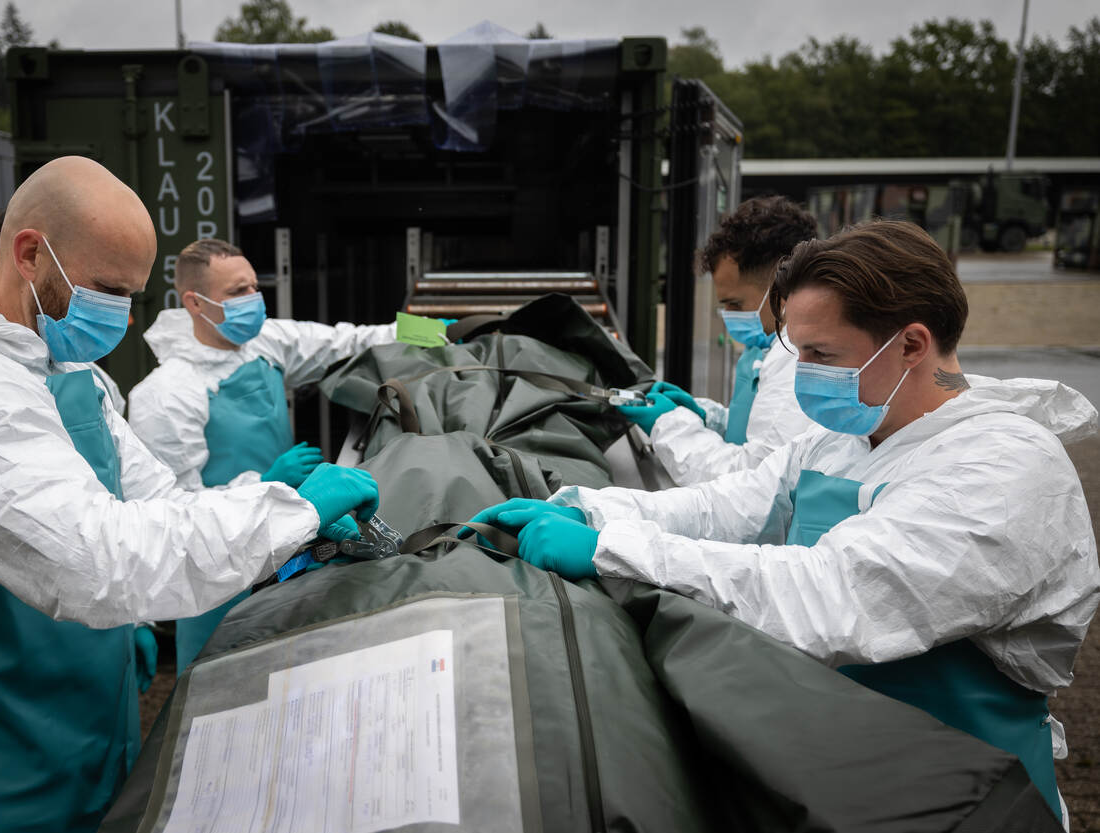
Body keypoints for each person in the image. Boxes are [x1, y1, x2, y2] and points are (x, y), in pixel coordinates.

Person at [470, 220, 1099, 822]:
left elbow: (835, 595)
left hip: (967, 795)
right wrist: (590, 507)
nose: (803, 376)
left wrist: (613, 550)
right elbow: (725, 509)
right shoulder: (841, 440)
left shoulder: (1002, 468)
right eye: (799, 352)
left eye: (822, 354)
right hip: (837, 771)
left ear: (911, 344)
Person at [0, 156, 379, 833]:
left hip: (86, 723)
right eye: (108, 290)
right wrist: (291, 510)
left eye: (132, 295)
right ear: (29, 254)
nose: (125, 319)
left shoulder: (71, 376)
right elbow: (100, 558)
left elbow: (156, 500)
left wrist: (279, 505)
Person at [127, 237, 406, 669]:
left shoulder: (265, 342)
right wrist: (265, 483)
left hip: (286, 546)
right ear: (195, 303)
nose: (253, 299)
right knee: (220, 677)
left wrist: (430, 332)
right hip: (218, 576)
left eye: (254, 287)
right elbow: (169, 510)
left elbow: (346, 342)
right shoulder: (165, 395)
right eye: (237, 292)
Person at [616, 196, 817, 485]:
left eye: (736, 304)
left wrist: (669, 425)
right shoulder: (768, 348)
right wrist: (706, 417)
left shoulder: (796, 360)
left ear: (781, 288)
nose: (728, 315)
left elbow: (750, 482)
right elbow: (759, 433)